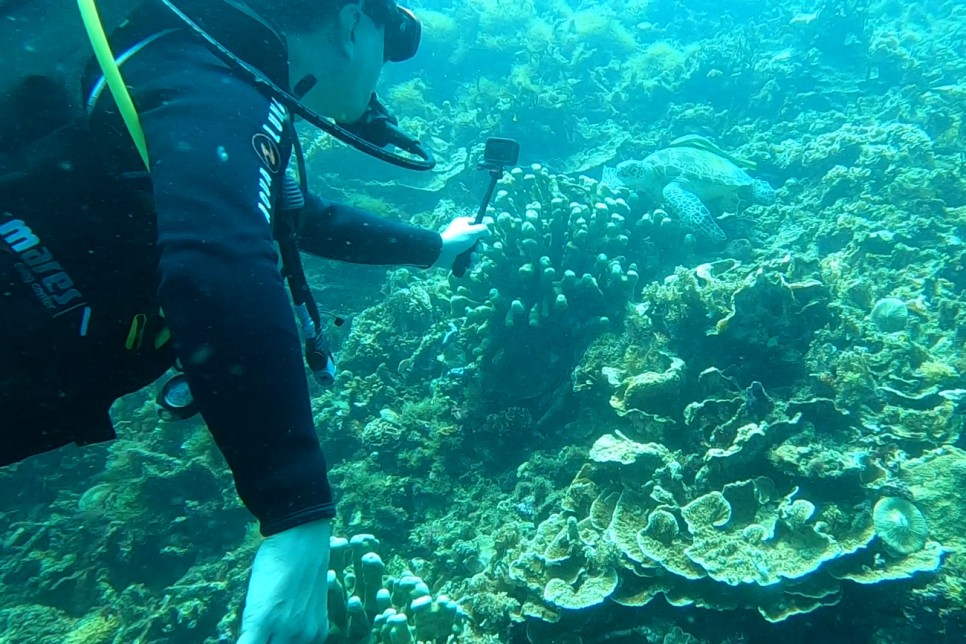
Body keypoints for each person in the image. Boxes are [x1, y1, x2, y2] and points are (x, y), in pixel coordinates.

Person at [0, 0, 488, 641]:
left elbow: (293, 215)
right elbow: (220, 259)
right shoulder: (218, 82)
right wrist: (298, 516)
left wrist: (433, 246)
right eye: (387, 44)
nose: (383, 75)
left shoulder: (190, 63)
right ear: (350, 25)